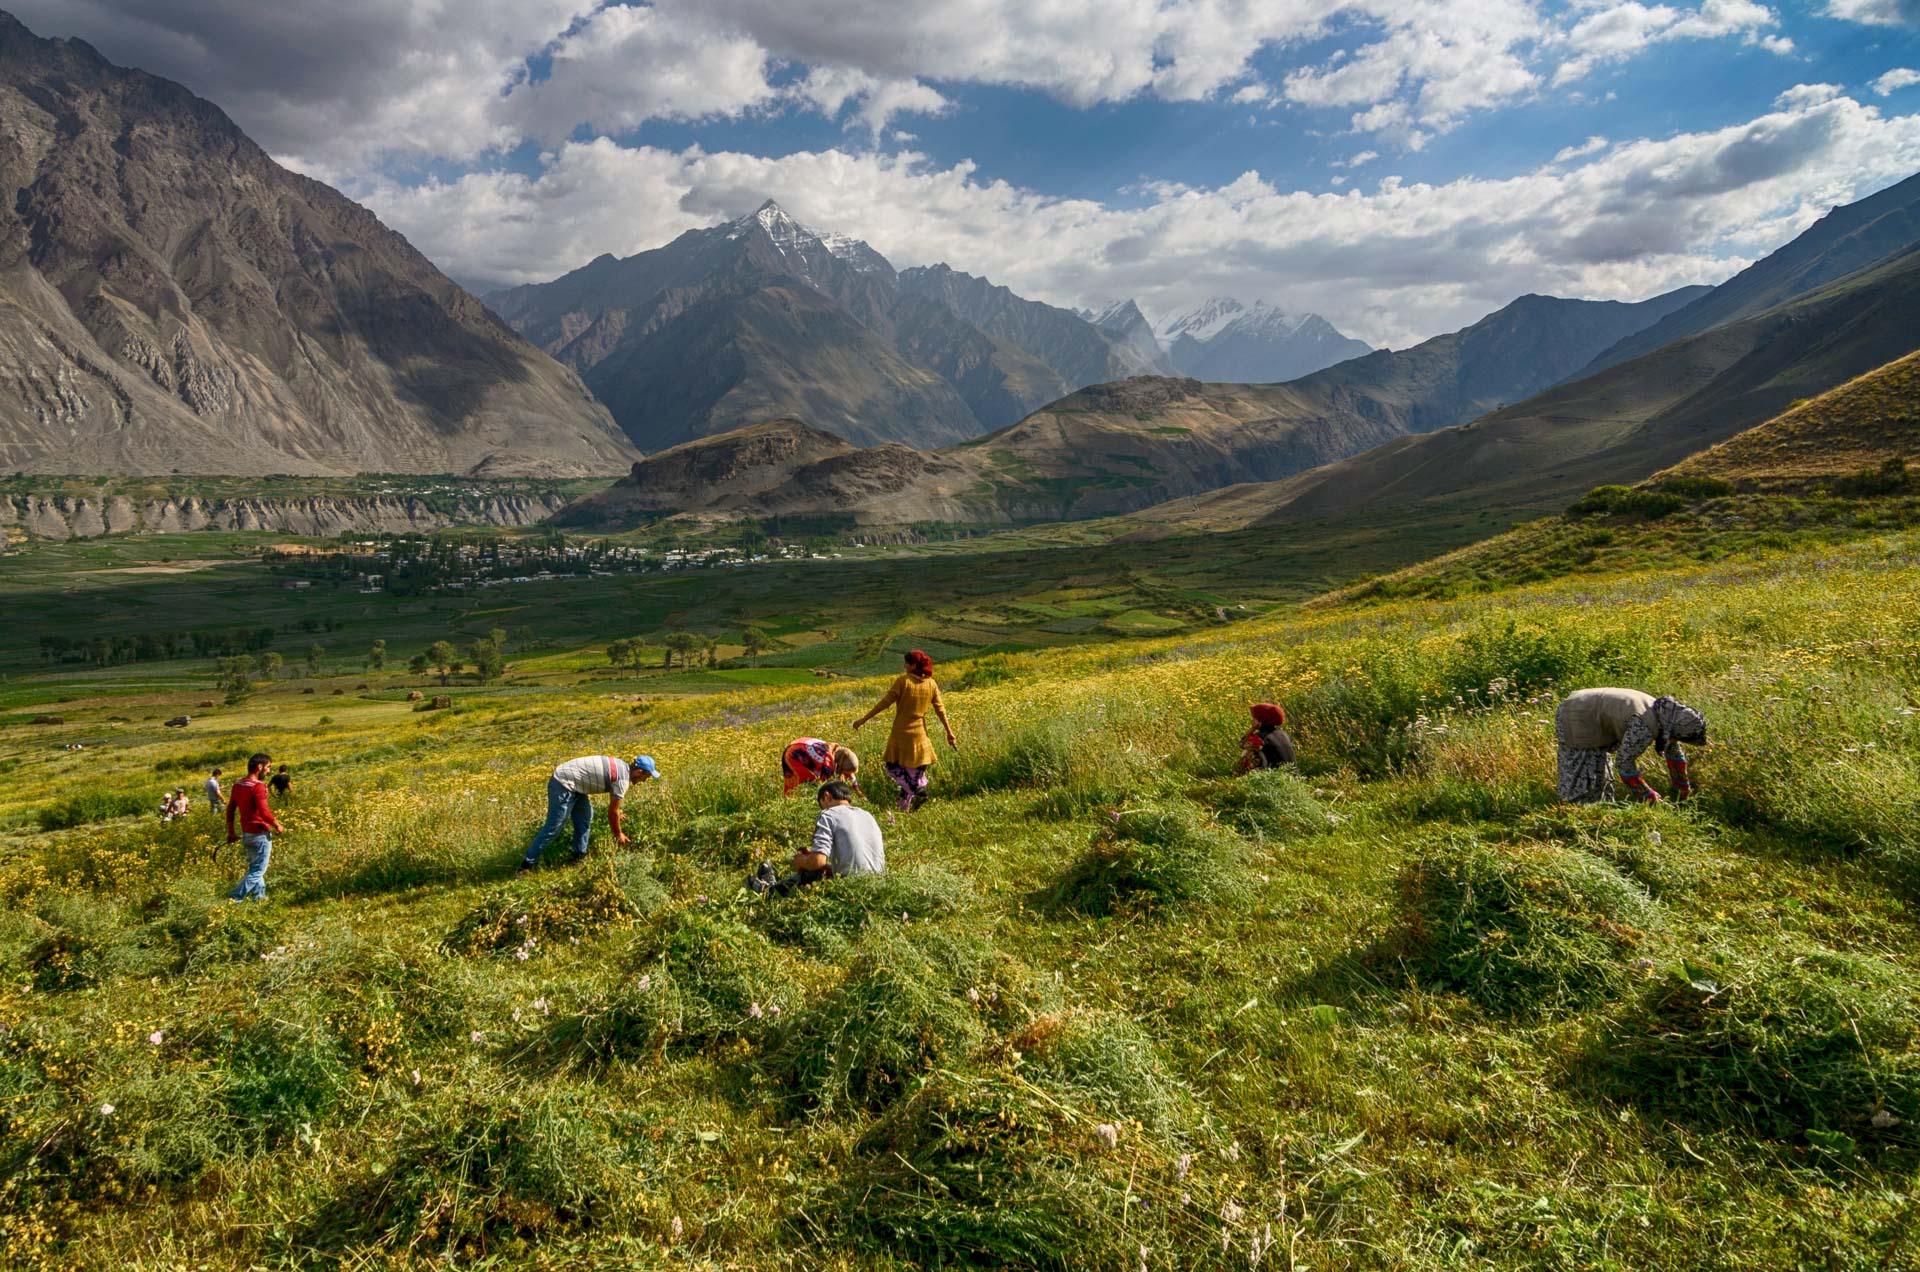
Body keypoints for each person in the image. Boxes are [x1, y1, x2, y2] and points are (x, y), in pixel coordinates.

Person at [1554, 688, 1707, 804]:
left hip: (1587, 707)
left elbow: (1673, 752)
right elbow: (1624, 763)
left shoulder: (1666, 715)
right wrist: (1647, 795)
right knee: (1585, 775)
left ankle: (1598, 810)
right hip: (1578, 713)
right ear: (1675, 731)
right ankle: (1575, 816)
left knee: (1600, 773)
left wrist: (1683, 788)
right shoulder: (1644, 726)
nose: (1675, 740)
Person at [516, 753, 658, 875]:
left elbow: (614, 803)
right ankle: (525, 866)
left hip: (576, 784)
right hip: (563, 783)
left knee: (585, 818)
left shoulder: (622, 767)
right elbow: (612, 813)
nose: (644, 781)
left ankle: (578, 857)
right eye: (646, 777)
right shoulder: (623, 780)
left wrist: (617, 812)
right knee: (554, 827)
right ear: (639, 772)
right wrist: (618, 835)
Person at [852, 650, 957, 811]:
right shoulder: (931, 684)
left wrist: (863, 719)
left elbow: (885, 703)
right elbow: (940, 709)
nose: (904, 666)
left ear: (914, 665)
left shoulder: (903, 681)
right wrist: (949, 733)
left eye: (906, 663)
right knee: (913, 774)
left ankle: (919, 792)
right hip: (921, 737)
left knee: (892, 767)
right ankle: (904, 808)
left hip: (901, 735)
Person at [748, 780, 885, 895]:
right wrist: (823, 864)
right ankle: (773, 887)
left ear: (826, 796)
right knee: (823, 870)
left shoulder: (829, 814)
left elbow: (817, 862)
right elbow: (859, 863)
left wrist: (802, 861)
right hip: (878, 885)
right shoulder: (868, 815)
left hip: (851, 888)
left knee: (811, 873)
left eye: (821, 805)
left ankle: (769, 892)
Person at [225, 752, 285, 901]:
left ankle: (259, 898)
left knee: (255, 868)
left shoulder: (238, 785)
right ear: (259, 767)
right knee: (258, 870)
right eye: (268, 767)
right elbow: (264, 812)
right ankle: (234, 899)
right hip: (260, 834)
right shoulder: (258, 786)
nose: (269, 771)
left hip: (247, 834)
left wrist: (231, 832)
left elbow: (230, 810)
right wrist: (277, 824)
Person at [780, 737, 859, 796]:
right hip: (794, 755)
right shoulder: (827, 767)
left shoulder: (837, 751)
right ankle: (790, 802)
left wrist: (857, 790)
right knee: (798, 786)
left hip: (800, 743)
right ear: (840, 767)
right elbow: (826, 786)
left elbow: (850, 774)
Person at [1236, 702, 1297, 774]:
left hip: (1277, 777)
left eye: (1255, 718)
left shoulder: (1260, 737)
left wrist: (1252, 728)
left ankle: (1240, 778)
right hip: (1293, 775)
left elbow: (1241, 744)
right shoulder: (1283, 734)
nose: (1252, 720)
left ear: (1261, 719)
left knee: (1248, 753)